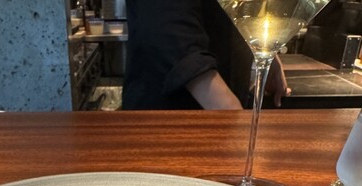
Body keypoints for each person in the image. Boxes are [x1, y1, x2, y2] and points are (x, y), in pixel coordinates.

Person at [122, 0, 291, 110]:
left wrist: (265, 51)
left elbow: (236, 10)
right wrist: (235, 120)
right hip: (166, 122)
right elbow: (170, 32)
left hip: (225, 109)